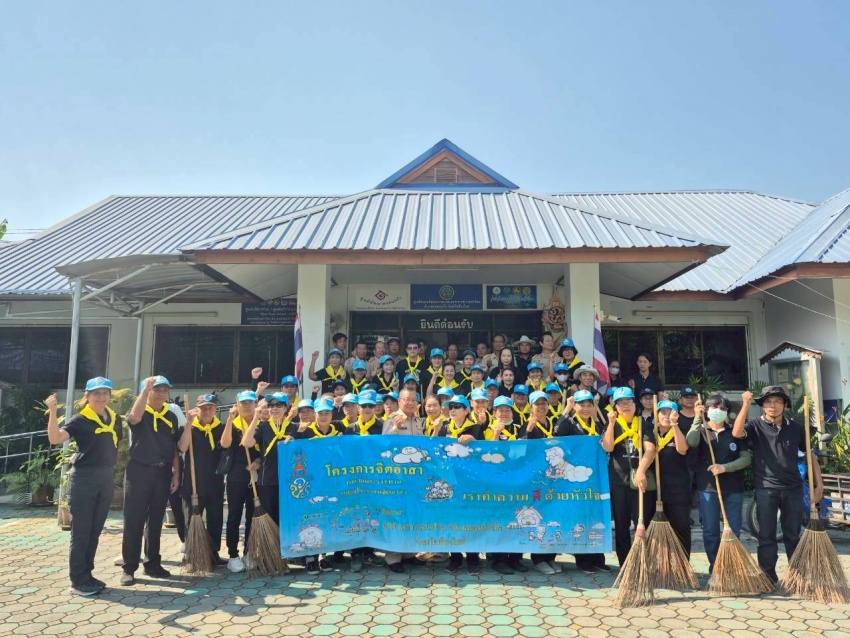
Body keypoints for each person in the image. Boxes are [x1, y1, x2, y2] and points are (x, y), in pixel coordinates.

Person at [733, 386, 823, 584]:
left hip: (793, 488)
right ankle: (768, 577)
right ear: (763, 405)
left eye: (777, 401)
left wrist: (819, 485)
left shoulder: (796, 428)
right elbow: (737, 432)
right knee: (766, 536)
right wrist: (745, 404)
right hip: (766, 488)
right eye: (768, 401)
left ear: (785, 405)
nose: (772, 405)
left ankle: (797, 577)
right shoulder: (755, 426)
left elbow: (810, 455)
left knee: (793, 535)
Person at [46, 377, 123, 596]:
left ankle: (87, 575)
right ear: (87, 396)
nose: (101, 397)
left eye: (105, 393)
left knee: (95, 531)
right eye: (96, 393)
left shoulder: (114, 418)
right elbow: (55, 438)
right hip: (84, 479)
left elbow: (115, 445)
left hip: (105, 477)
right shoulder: (80, 420)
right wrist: (53, 411)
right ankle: (77, 581)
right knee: (81, 532)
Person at [120, 376, 181, 586]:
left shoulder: (170, 417)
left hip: (162, 472)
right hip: (139, 471)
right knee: (134, 520)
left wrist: (176, 474)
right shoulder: (140, 411)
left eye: (165, 390)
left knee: (155, 521)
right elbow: (133, 418)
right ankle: (129, 568)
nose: (162, 394)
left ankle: (153, 563)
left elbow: (174, 449)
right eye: (157, 390)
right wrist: (144, 391)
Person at [687, 394, 752, 574]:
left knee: (733, 530)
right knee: (710, 531)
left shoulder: (735, 432)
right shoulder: (701, 430)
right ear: (707, 409)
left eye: (723, 409)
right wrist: (697, 417)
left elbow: (746, 458)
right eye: (714, 407)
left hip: (733, 489)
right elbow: (691, 442)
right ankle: (715, 567)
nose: (718, 411)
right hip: (708, 489)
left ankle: (731, 566)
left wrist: (725, 467)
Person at [285, 399, 343, 575]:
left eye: (327, 413)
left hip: (331, 481)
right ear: (315, 414)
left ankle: (323, 556)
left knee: (329, 516)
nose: (324, 417)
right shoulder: (305, 432)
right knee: (310, 517)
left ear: (332, 414)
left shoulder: (339, 431)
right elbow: (292, 452)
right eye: (320, 413)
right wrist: (292, 438)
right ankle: (310, 558)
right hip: (310, 482)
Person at [555, 390, 609, 574]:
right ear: (575, 406)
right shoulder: (570, 424)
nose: (585, 409)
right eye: (581, 405)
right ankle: (583, 560)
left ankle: (598, 558)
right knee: (580, 517)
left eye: (589, 405)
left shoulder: (598, 424)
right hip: (576, 479)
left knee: (596, 517)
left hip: (596, 477)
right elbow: (556, 433)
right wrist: (567, 409)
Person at [602, 387, 657, 567]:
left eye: (628, 402)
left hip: (640, 480)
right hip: (618, 480)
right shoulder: (612, 424)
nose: (625, 406)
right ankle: (625, 563)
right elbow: (608, 447)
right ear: (615, 406)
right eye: (621, 403)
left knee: (643, 521)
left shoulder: (643, 424)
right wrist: (611, 424)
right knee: (621, 522)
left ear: (635, 404)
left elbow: (650, 450)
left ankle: (644, 561)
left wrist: (640, 471)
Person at [177, 394, 226, 567]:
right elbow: (182, 448)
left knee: (215, 519)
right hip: (193, 483)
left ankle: (213, 553)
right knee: (191, 520)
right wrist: (189, 424)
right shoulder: (189, 427)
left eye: (210, 407)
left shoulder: (221, 428)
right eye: (203, 408)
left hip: (215, 482)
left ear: (215, 410)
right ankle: (191, 555)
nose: (207, 411)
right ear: (196, 409)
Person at [438, 395, 482, 575]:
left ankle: (473, 558)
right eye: (451, 407)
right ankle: (455, 558)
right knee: (452, 519)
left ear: (466, 410)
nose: (453, 410)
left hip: (470, 482)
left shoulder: (476, 428)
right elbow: (435, 450)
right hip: (449, 480)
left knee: (470, 519)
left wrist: (475, 440)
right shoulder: (444, 428)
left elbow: (486, 451)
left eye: (457, 406)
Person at [342, 390, 386, 571]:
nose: (367, 409)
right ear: (358, 408)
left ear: (376, 407)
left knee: (373, 514)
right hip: (356, 479)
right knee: (356, 514)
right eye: (364, 405)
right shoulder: (350, 429)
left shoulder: (383, 427)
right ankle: (356, 553)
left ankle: (369, 551)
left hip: (375, 478)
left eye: (371, 405)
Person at [484, 396, 528, 575]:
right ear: (494, 412)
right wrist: (496, 433)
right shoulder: (488, 429)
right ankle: (498, 559)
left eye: (507, 410)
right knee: (500, 518)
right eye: (500, 410)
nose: (504, 413)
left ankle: (515, 558)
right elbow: (488, 453)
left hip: (517, 480)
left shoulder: (518, 428)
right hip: (496, 481)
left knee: (518, 517)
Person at [383, 388, 425, 572]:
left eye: (413, 400)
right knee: (396, 515)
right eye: (406, 399)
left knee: (412, 513)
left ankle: (409, 553)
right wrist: (395, 428)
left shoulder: (418, 420)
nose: (410, 403)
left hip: (415, 476)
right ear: (399, 401)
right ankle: (393, 557)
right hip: (397, 476)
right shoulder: (393, 418)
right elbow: (383, 443)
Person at [219, 390, 261, 573]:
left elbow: (264, 450)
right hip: (236, 475)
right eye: (243, 402)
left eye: (250, 402)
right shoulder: (233, 424)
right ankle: (233, 555)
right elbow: (225, 444)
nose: (247, 405)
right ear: (238, 404)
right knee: (234, 516)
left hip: (254, 476)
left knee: (252, 516)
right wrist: (230, 419)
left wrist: (258, 460)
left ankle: (248, 552)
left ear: (255, 404)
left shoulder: (260, 424)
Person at [241, 392, 296, 527]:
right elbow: (247, 443)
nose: (274, 408)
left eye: (278, 405)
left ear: (286, 407)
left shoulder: (294, 427)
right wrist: (256, 417)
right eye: (271, 405)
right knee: (270, 518)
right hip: (267, 480)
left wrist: (295, 442)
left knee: (287, 517)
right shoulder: (263, 427)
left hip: (289, 481)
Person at [523, 391, 560, 574]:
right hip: (537, 479)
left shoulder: (554, 423)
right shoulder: (527, 425)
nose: (541, 407)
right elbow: (522, 450)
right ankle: (538, 558)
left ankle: (551, 557)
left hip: (555, 478)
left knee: (554, 516)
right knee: (540, 516)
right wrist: (528, 431)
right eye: (537, 404)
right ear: (531, 407)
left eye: (544, 403)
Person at [652, 400, 692, 559]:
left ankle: (683, 564)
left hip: (678, 489)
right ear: (657, 415)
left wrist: (674, 425)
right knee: (660, 528)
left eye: (671, 413)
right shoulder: (651, 433)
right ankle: (664, 564)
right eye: (663, 413)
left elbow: (682, 450)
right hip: (656, 488)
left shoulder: (680, 431)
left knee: (680, 526)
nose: (667, 416)